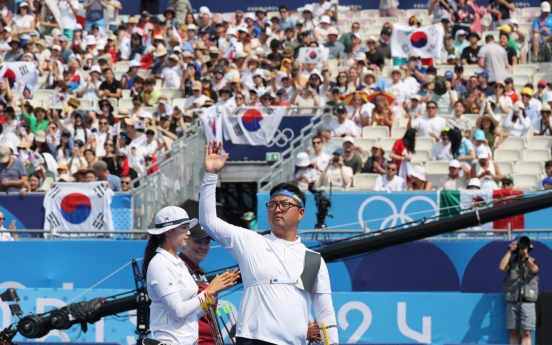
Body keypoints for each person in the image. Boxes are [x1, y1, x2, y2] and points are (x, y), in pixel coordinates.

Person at [199, 141, 339, 345]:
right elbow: (208, 221)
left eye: (284, 204)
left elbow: (326, 314)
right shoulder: (250, 241)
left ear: (301, 213)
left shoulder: (313, 260)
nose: (277, 209)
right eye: (272, 204)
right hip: (251, 340)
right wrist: (211, 176)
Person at [143, 206, 239, 345]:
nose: (188, 232)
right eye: (184, 228)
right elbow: (178, 312)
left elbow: (192, 315)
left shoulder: (177, 262)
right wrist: (209, 291)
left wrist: (215, 292)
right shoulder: (160, 264)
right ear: (168, 232)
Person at [499, 236, 539, 345]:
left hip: (528, 301)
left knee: (526, 332)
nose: (522, 248)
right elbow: (502, 268)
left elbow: (534, 269)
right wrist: (510, 251)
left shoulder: (534, 261)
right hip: (513, 300)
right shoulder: (511, 262)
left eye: (524, 246)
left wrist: (525, 257)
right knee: (514, 331)